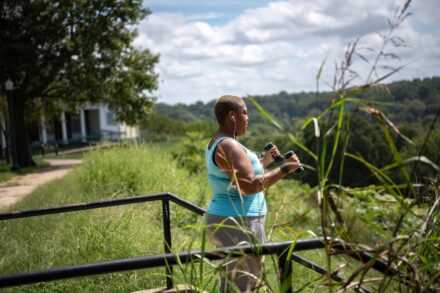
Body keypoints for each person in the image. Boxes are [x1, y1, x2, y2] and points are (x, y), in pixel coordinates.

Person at [205, 95, 301, 292]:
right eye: (245, 113)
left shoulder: (219, 142)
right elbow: (248, 186)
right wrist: (285, 169)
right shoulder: (229, 145)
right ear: (232, 115)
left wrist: (265, 162)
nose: (248, 118)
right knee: (245, 285)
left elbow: (237, 177)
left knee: (233, 282)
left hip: (230, 219)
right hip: (240, 222)